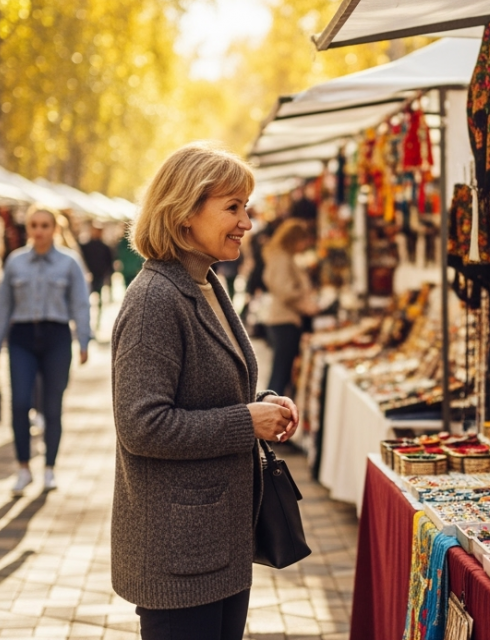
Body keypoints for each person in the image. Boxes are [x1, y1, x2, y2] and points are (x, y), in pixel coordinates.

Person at [111, 143, 299, 640]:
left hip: (217, 541)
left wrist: (263, 405)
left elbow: (208, 392)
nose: (247, 223)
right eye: (233, 208)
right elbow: (141, 426)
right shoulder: (155, 299)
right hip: (179, 553)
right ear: (184, 211)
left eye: (246, 208)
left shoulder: (207, 285)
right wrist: (247, 421)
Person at [0, 204, 91, 496]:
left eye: (45, 225)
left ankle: (49, 468)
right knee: (20, 403)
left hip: (56, 337)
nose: (39, 231)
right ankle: (23, 468)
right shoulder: (15, 262)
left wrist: (84, 340)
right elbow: (3, 306)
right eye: (34, 225)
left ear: (55, 229)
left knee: (53, 405)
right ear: (28, 229)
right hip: (21, 337)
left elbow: (80, 303)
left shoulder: (69, 262)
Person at [261, 218, 319, 396]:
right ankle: (270, 403)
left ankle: (272, 402)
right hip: (284, 320)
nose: (304, 245)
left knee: (282, 370)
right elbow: (285, 290)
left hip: (284, 319)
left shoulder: (282, 256)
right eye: (303, 240)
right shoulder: (282, 258)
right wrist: (304, 303)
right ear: (294, 239)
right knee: (281, 371)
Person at [80, 223, 115, 324]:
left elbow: (109, 261)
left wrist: (108, 274)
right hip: (88, 276)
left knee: (98, 299)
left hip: (100, 276)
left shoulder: (105, 247)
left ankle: (97, 321)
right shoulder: (85, 246)